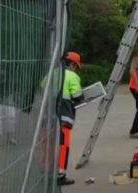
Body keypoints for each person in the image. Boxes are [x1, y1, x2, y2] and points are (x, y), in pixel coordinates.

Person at [58, 51, 84, 186]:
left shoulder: (54, 73)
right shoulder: (72, 76)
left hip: (47, 118)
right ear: (73, 64)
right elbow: (78, 97)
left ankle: (45, 171)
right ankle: (60, 175)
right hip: (64, 118)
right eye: (76, 66)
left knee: (48, 145)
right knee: (64, 146)